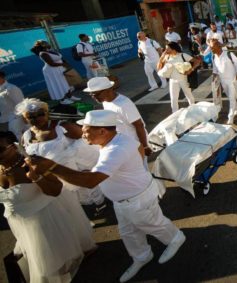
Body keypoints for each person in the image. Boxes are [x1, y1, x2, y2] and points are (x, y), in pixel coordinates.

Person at [25, 110, 186, 283]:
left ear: (102, 131)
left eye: (86, 129)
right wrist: (125, 171)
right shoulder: (117, 138)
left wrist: (52, 167)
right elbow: (138, 148)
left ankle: (175, 238)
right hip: (124, 199)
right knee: (128, 232)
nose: (82, 133)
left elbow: (90, 181)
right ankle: (142, 256)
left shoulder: (115, 150)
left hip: (136, 199)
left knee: (153, 224)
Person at [0, 131, 96, 283]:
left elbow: (56, 190)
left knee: (49, 261)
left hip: (43, 219)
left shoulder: (33, 164)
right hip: (19, 222)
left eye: (0, 149)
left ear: (13, 147)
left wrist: (36, 178)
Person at [16, 98, 105, 210]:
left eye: (40, 114)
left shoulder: (63, 128)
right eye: (31, 117)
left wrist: (88, 169)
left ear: (47, 113)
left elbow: (90, 145)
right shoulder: (26, 136)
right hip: (55, 178)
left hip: (77, 172)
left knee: (90, 197)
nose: (37, 118)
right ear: (25, 119)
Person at [84, 77, 152, 158]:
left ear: (109, 89)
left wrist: (144, 146)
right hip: (123, 145)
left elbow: (139, 125)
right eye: (91, 95)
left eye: (96, 94)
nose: (94, 97)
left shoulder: (124, 104)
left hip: (135, 144)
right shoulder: (105, 101)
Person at [205, 39, 237, 125]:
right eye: (210, 47)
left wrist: (236, 78)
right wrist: (213, 79)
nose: (211, 49)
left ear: (218, 46)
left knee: (232, 98)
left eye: (212, 47)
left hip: (232, 80)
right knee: (229, 96)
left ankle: (231, 117)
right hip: (223, 81)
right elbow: (215, 69)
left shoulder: (229, 54)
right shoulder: (214, 57)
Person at [31, 40, 79, 104]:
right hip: (51, 71)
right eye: (46, 43)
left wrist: (65, 63)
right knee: (57, 84)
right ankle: (62, 100)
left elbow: (60, 58)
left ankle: (70, 96)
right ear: (42, 45)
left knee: (65, 83)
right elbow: (51, 64)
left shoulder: (49, 51)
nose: (48, 43)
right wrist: (62, 64)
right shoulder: (42, 53)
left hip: (59, 69)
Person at [157, 42, 200, 113]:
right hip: (172, 80)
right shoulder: (166, 57)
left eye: (168, 49)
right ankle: (175, 114)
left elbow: (197, 61)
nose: (165, 50)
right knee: (173, 99)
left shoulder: (183, 55)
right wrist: (161, 57)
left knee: (189, 95)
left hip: (184, 79)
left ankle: (194, 110)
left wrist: (191, 70)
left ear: (174, 49)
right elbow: (158, 68)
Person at [0, 71, 26, 140]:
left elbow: (21, 104)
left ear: (1, 78)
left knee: (20, 140)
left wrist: (24, 120)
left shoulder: (11, 88)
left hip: (15, 121)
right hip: (4, 122)